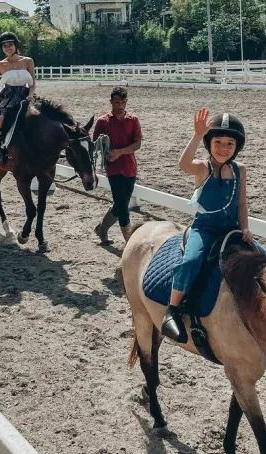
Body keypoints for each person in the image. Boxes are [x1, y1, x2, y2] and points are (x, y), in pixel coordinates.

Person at [161, 108, 254, 343]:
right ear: (209, 143)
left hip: (231, 229)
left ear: (237, 147)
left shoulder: (240, 170)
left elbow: (242, 204)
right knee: (191, 260)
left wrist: (245, 228)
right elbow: (182, 164)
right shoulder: (203, 168)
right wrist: (196, 135)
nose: (224, 148)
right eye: (218, 142)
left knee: (264, 258)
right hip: (205, 228)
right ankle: (172, 310)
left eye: (229, 143)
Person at [92, 86, 143, 244]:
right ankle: (129, 241)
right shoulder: (102, 121)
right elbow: (95, 144)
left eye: (121, 102)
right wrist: (104, 148)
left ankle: (102, 229)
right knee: (121, 204)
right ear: (111, 102)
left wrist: (120, 152)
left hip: (129, 167)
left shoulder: (133, 120)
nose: (119, 106)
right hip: (113, 168)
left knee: (122, 203)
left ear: (126, 102)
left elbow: (137, 144)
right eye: (115, 102)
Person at [0, 32, 36, 164]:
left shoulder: (28, 61)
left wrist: (30, 95)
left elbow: (33, 81)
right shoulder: (0, 65)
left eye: (10, 44)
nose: (7, 47)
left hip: (26, 93)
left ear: (16, 45)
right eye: (4, 46)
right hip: (8, 95)